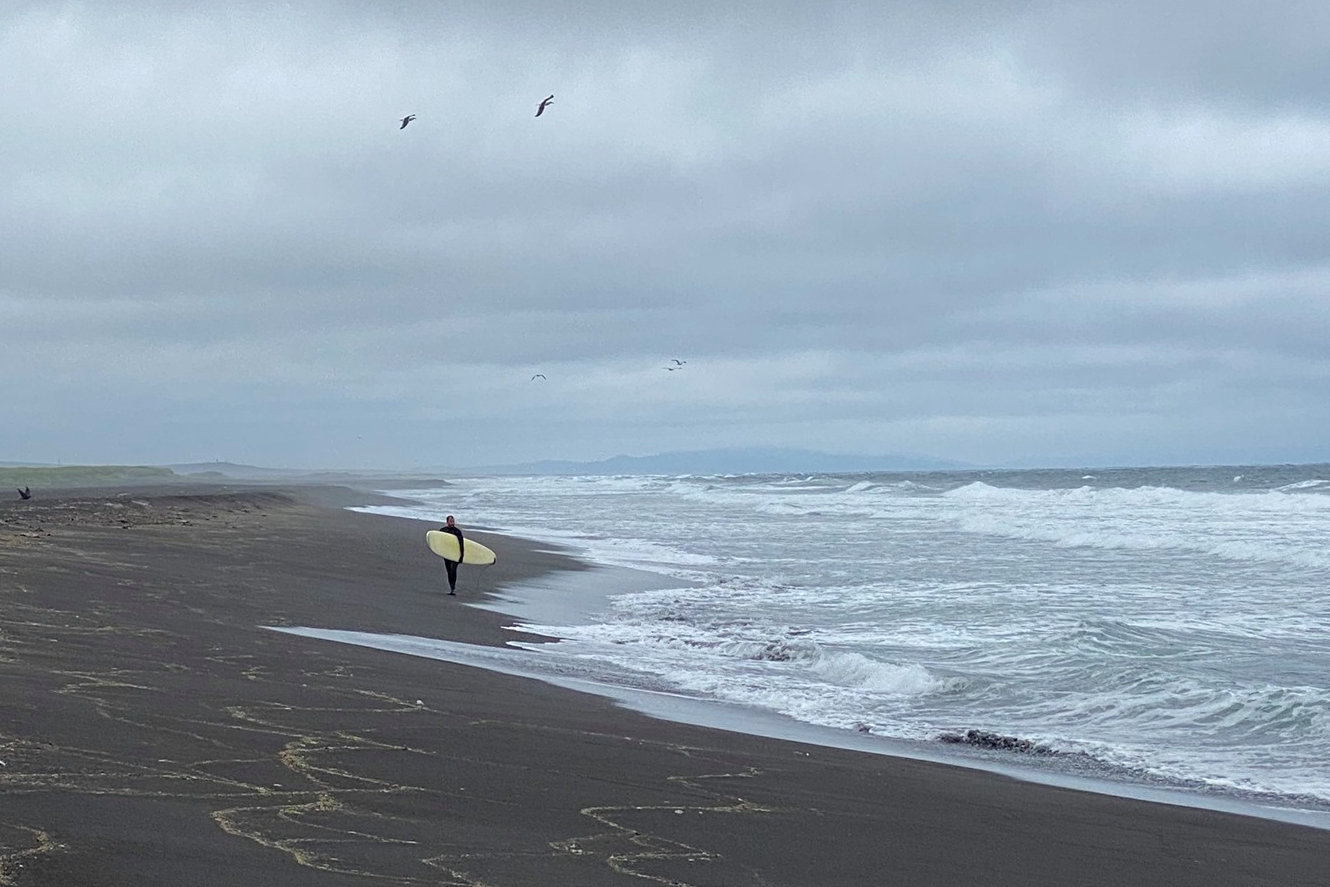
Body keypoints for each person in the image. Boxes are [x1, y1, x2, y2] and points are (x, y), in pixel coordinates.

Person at [439, 515, 465, 595]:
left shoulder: (457, 531)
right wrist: (440, 552)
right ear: (447, 522)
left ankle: (453, 588)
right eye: (451, 521)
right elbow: (440, 542)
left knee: (453, 570)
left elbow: (461, 544)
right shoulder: (443, 530)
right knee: (449, 571)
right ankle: (451, 587)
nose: (452, 523)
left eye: (453, 521)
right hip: (447, 554)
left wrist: (461, 556)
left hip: (455, 554)